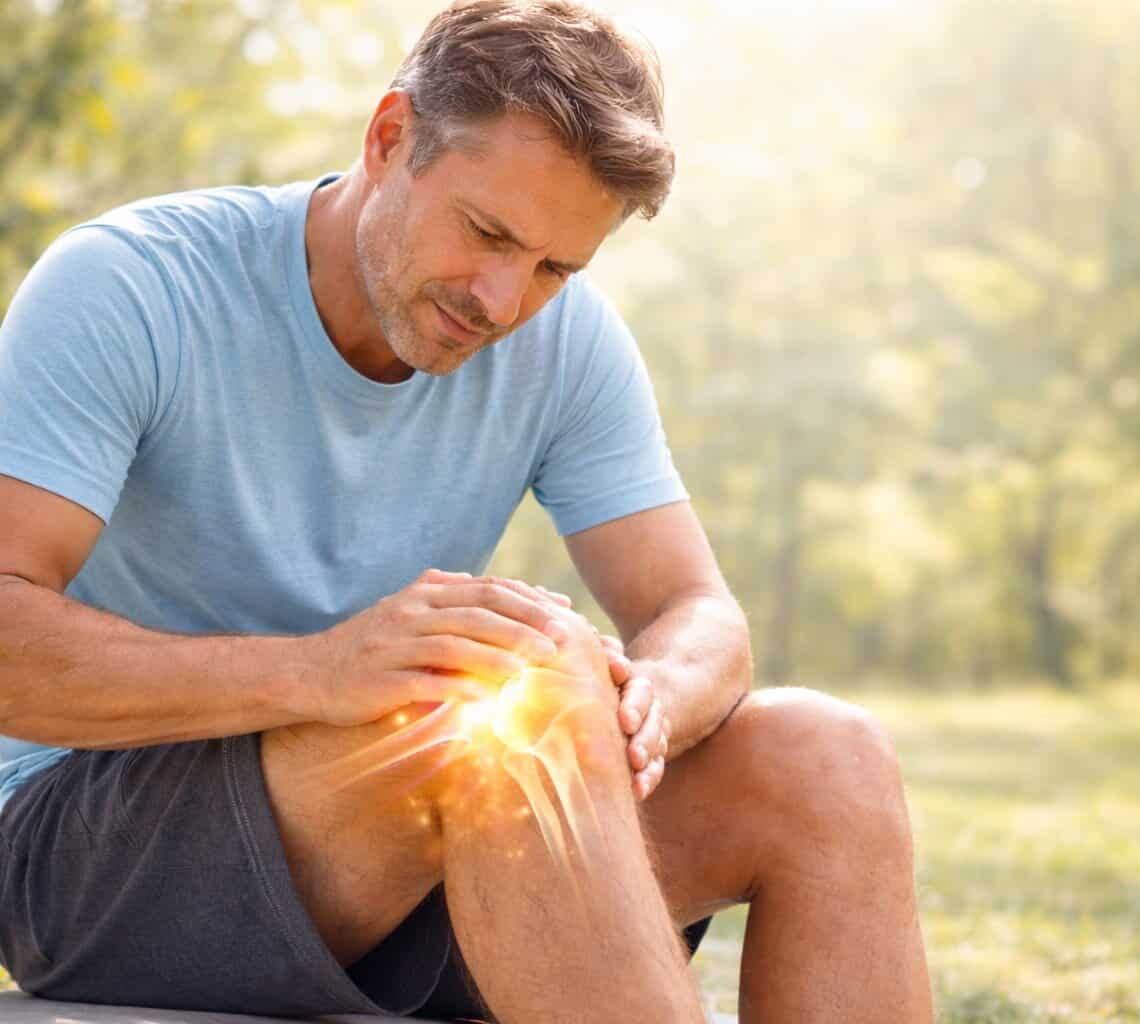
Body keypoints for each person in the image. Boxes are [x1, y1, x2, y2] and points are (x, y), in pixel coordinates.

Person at [0, 1, 932, 1020]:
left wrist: (644, 704)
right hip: (92, 858)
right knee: (501, 689)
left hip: (429, 851)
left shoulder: (566, 341)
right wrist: (319, 672)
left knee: (823, 755)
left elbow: (698, 613)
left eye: (553, 267)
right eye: (488, 232)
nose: (503, 299)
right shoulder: (132, 287)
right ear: (390, 136)